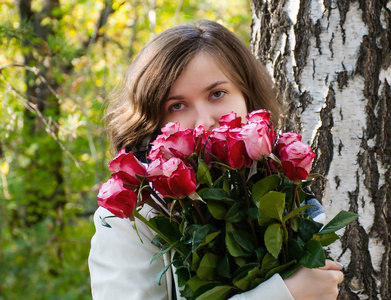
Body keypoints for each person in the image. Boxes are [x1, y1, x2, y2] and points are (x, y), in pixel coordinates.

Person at [88, 19, 344, 300]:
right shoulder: (135, 215)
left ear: (247, 96)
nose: (204, 121)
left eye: (217, 94)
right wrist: (283, 295)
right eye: (177, 106)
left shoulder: (289, 189)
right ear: (155, 120)